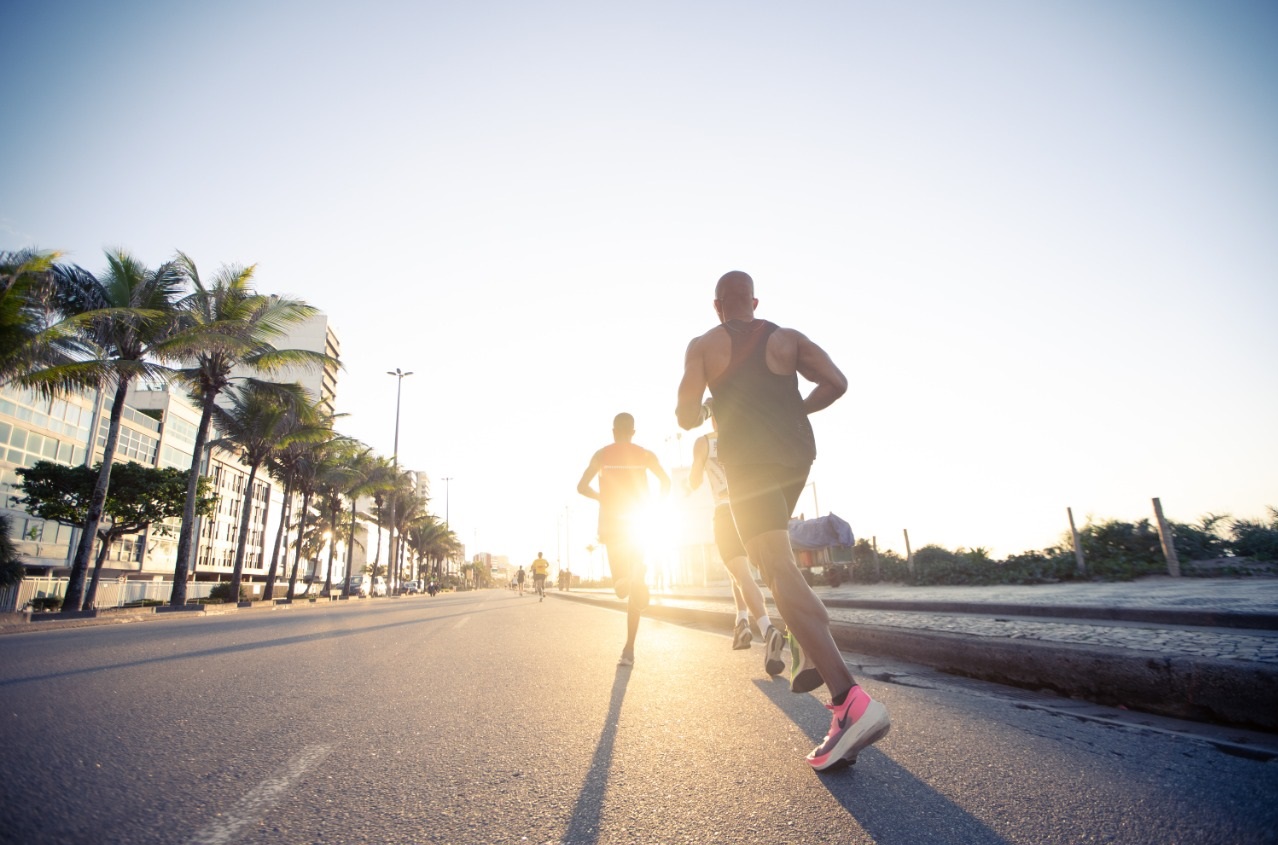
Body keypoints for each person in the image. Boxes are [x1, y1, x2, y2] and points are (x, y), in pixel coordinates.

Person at [675, 270, 890, 771]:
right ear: (754, 301)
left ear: (716, 306)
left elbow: (685, 415)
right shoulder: (787, 338)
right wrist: (795, 407)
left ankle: (849, 701)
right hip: (796, 457)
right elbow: (836, 383)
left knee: (773, 566)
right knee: (779, 561)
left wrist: (705, 404)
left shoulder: (703, 345)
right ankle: (810, 649)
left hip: (749, 463)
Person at [687, 399, 787, 678]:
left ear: (710, 415)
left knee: (742, 575)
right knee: (741, 573)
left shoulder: (704, 442)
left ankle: (767, 631)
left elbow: (695, 481)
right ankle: (741, 623)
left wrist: (692, 481)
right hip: (755, 508)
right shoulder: (749, 436)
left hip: (726, 510)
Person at [577, 412, 671, 667]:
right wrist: (657, 505)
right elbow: (666, 481)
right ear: (633, 432)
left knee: (621, 588)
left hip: (612, 526)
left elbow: (581, 486)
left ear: (613, 431)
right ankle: (629, 649)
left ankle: (632, 577)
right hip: (639, 522)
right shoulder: (645, 454)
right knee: (630, 591)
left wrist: (601, 497)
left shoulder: (601, 455)